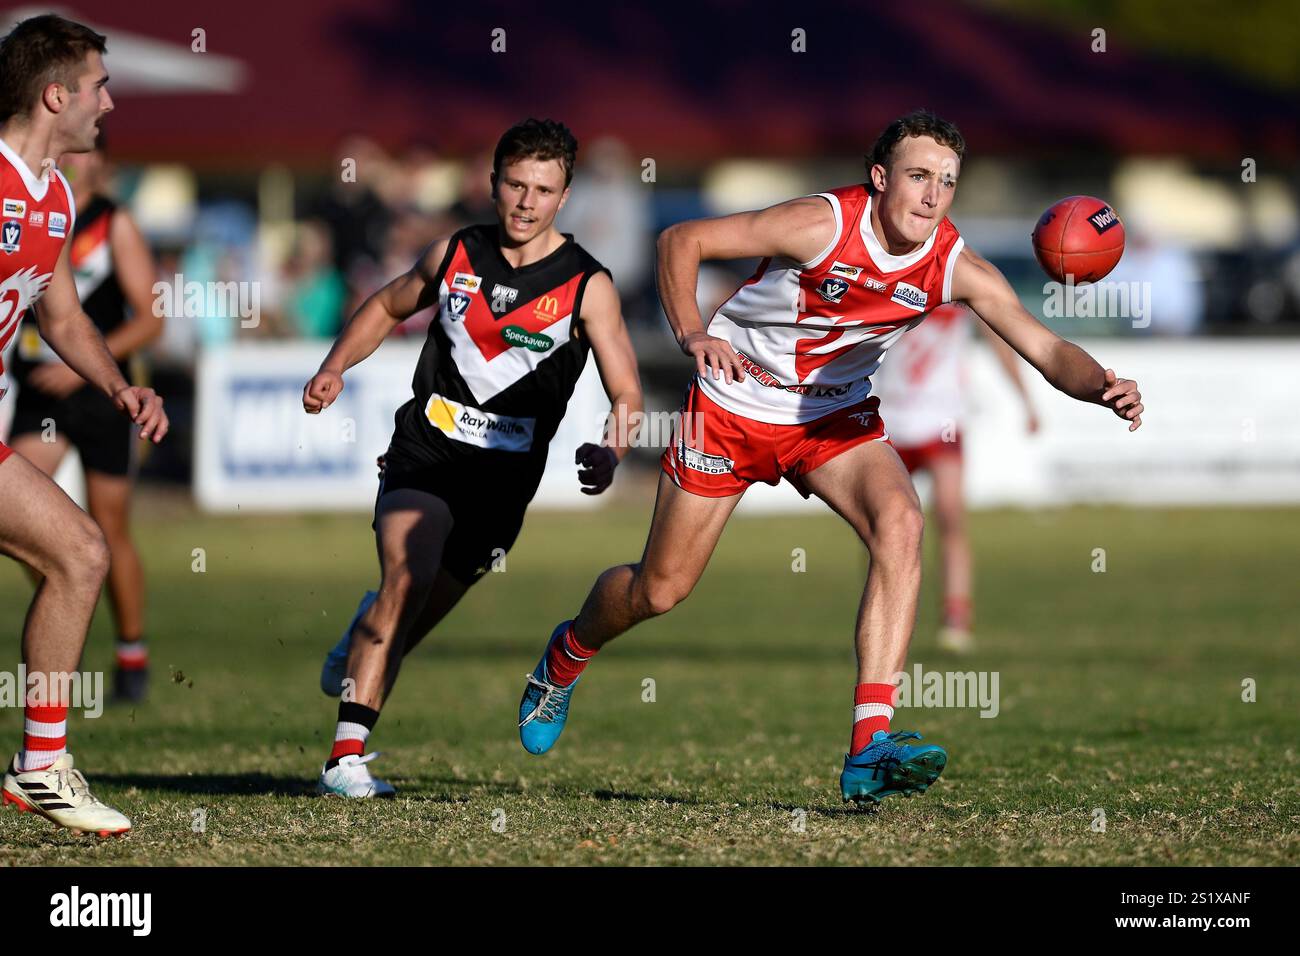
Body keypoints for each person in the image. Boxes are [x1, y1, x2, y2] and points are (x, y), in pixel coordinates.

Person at [515, 110, 1144, 805]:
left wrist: (1103, 385)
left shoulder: (954, 265)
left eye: (947, 182)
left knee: (901, 523)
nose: (932, 195)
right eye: (918, 176)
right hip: (734, 404)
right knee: (660, 590)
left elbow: (1049, 349)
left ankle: (868, 748)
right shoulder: (820, 224)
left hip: (830, 417)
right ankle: (564, 657)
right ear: (880, 179)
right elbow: (681, 239)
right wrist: (692, 332)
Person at [302, 119, 643, 798]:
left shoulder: (587, 285)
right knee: (410, 574)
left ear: (564, 196)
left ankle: (362, 639)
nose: (525, 202)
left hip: (504, 482)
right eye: (515, 184)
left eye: (542, 190)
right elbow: (385, 302)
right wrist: (335, 366)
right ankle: (345, 760)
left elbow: (628, 388)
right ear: (492, 184)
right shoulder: (453, 254)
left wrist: (612, 450)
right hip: (424, 452)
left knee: (412, 609)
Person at [0, 14, 168, 835]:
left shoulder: (57, 195)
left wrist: (119, 388)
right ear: (56, 93)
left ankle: (41, 766)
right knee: (79, 551)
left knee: (80, 551)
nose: (110, 101)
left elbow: (63, 318)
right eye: (100, 84)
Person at [9, 141, 164, 702]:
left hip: (98, 395)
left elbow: (151, 321)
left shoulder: (111, 222)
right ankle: (66, 593)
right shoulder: (31, 204)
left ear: (105, 165)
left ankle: (131, 651)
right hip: (36, 395)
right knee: (31, 522)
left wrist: (84, 372)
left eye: (88, 155)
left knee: (109, 526)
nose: (74, 162)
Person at [872, 301, 1038, 654]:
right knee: (883, 525)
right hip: (891, 417)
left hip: (942, 421)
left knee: (950, 515)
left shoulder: (957, 280)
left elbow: (999, 338)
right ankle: (880, 618)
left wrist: (1025, 399)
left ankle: (956, 617)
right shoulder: (889, 280)